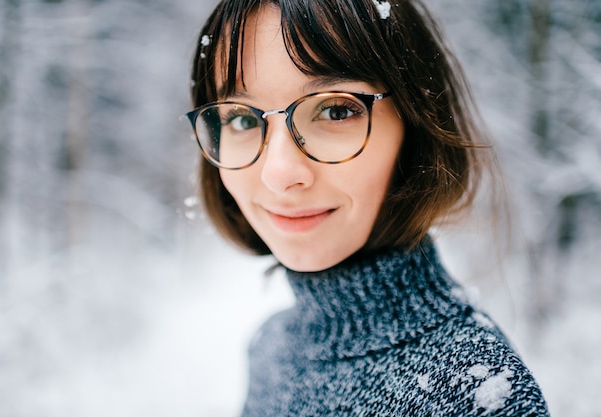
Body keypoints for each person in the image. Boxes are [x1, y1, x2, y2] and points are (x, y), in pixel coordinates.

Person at [185, 0, 550, 415]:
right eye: (242, 119)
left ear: (415, 124)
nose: (279, 173)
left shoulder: (472, 390)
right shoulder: (271, 350)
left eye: (335, 110)